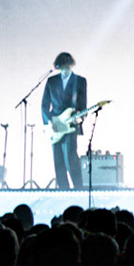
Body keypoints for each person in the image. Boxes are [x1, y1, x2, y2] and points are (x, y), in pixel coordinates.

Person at [41, 52, 88, 191]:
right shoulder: (51, 81)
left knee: (71, 157)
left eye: (67, 67)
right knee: (58, 160)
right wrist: (48, 122)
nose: (65, 70)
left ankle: (78, 188)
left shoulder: (80, 81)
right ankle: (63, 189)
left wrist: (80, 117)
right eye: (62, 67)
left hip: (70, 124)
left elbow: (82, 104)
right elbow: (44, 104)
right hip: (56, 123)